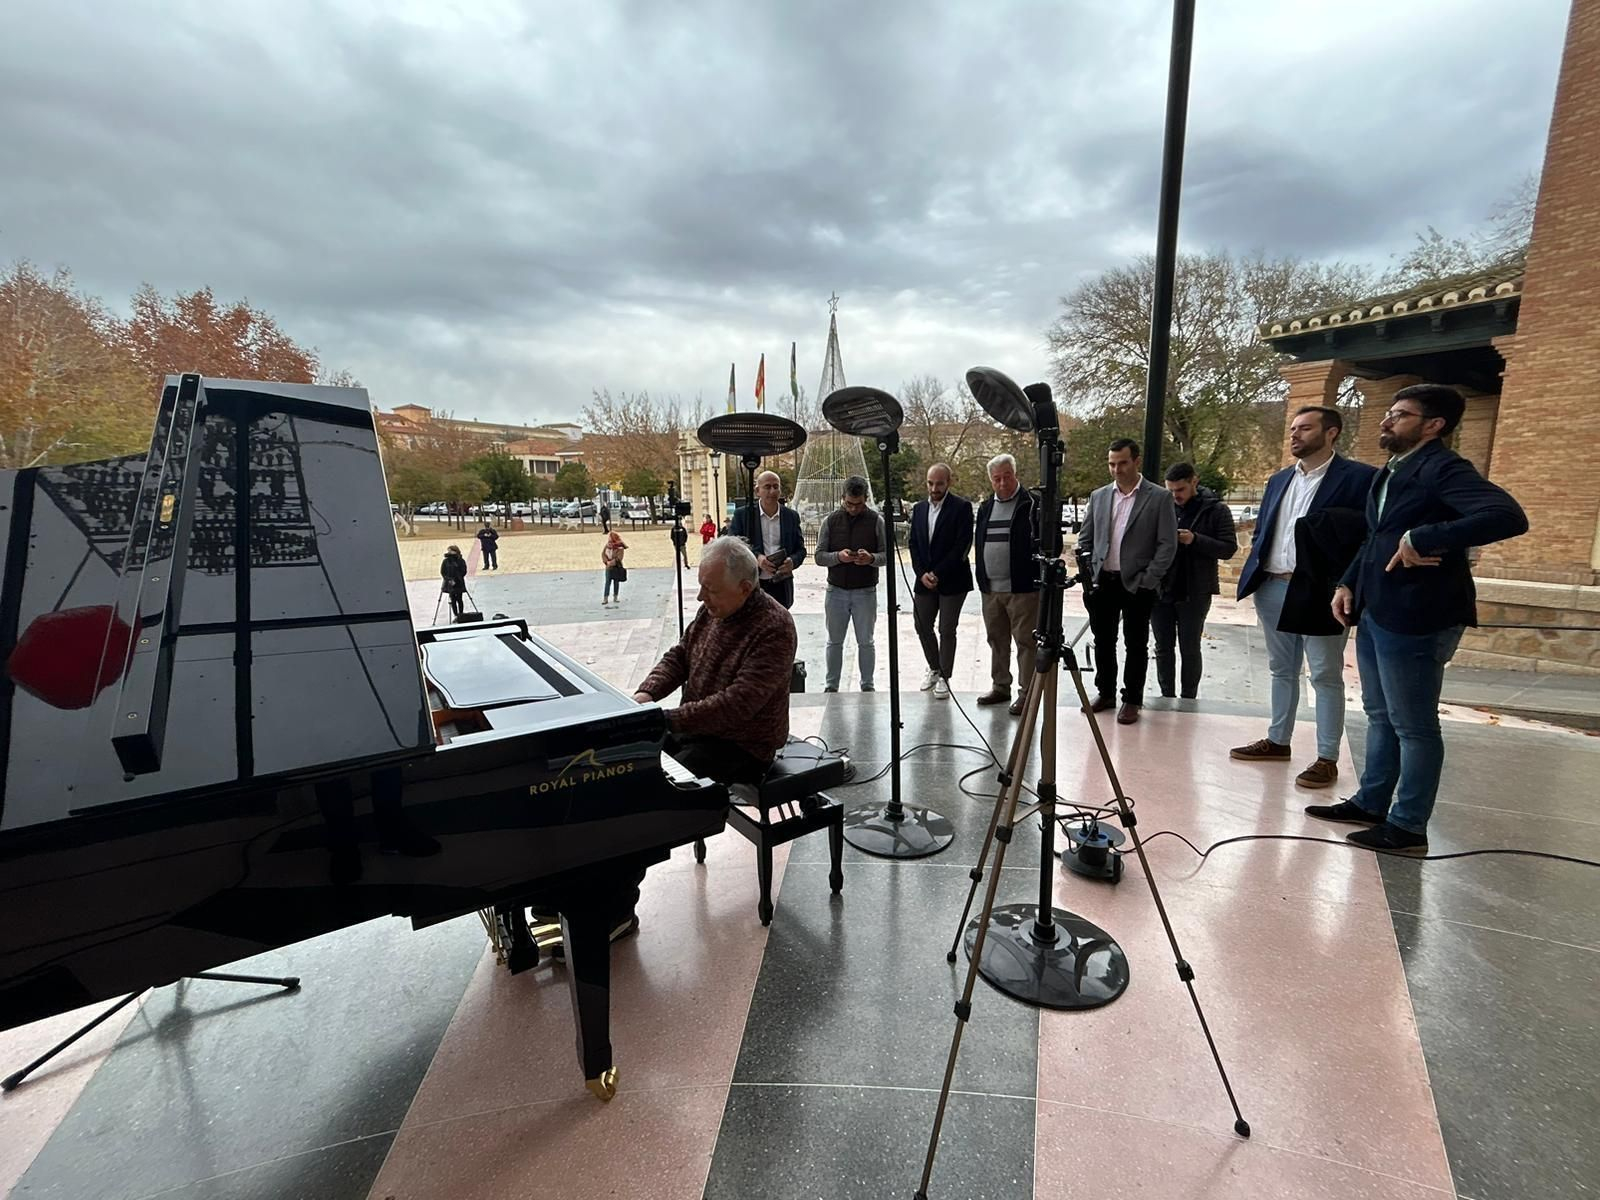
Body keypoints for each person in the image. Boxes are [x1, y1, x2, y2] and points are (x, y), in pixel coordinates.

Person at [1316, 384, 1527, 852]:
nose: (1386, 421)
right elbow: (1376, 535)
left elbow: (1507, 515)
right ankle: (1372, 802)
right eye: (1389, 413)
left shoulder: (1444, 468)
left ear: (1434, 426)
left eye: (1401, 415)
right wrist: (1348, 581)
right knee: (1379, 714)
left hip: (1417, 613)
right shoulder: (1394, 468)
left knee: (1414, 725)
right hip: (1376, 607)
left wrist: (1427, 537)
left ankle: (1408, 825)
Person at [1229, 406, 1377, 789]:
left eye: (1304, 428)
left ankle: (1327, 757)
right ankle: (1278, 740)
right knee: (1282, 670)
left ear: (1331, 433)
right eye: (1293, 428)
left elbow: (1368, 536)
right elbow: (1267, 529)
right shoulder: (1279, 480)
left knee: (1326, 675)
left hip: (1320, 591)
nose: (1294, 434)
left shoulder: (1360, 479)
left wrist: (1347, 583)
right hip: (1273, 585)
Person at [633, 537, 797, 785]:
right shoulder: (714, 609)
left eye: (710, 589)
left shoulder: (775, 627)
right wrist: (646, 694)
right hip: (697, 729)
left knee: (660, 788)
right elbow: (680, 656)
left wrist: (666, 719)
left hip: (742, 745)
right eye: (701, 586)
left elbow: (737, 704)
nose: (700, 597)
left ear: (744, 588)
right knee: (631, 759)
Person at [1079, 439, 1177, 724]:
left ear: (1136, 461)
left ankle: (1132, 699)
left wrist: (1148, 579)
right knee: (1103, 641)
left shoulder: (1158, 497)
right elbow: (1086, 538)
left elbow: (1167, 545)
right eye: (1111, 464)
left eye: (1122, 463)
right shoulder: (1098, 497)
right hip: (1103, 582)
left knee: (1136, 643)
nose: (1116, 469)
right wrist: (1089, 572)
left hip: (1137, 584)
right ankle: (1105, 691)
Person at [1152, 463, 1238, 700]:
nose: (1175, 496)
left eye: (1180, 489)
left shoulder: (1217, 510)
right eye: (1170, 490)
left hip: (1195, 590)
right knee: (1163, 647)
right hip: (1161, 588)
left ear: (1194, 482)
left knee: (1189, 648)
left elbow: (1228, 548)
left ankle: (1188, 697)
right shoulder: (1162, 506)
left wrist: (1195, 540)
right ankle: (1166, 696)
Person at [973, 454, 1038, 716]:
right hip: (992, 589)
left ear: (1015, 473)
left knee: (1025, 641)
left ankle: (1027, 693)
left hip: (1022, 588)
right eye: (996, 478)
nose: (1002, 483)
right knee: (996, 640)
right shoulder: (986, 506)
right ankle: (1001, 685)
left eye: (1006, 476)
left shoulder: (1031, 504)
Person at [908, 462, 974, 700]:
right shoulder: (918, 508)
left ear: (949, 482)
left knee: (947, 628)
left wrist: (938, 573)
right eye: (930, 483)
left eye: (939, 483)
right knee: (921, 624)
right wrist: (921, 573)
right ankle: (934, 667)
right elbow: (913, 544)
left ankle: (945, 676)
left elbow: (962, 545)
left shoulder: (962, 507)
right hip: (924, 578)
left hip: (953, 579)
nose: (934, 488)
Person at [814, 475, 886, 693]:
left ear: (865, 499)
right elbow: (818, 556)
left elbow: (886, 555)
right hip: (836, 589)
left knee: (866, 641)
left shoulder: (876, 521)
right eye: (849, 504)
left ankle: (867, 685)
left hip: (865, 590)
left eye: (859, 504)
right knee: (834, 641)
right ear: (842, 498)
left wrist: (871, 559)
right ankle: (831, 685)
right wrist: (838, 557)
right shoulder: (830, 521)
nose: (854, 508)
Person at [728, 471, 807, 609]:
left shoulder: (791, 516)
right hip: (752, 584)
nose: (772, 491)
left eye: (776, 487)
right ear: (757, 491)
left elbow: (800, 550)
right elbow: (733, 546)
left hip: (781, 585)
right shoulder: (743, 515)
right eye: (767, 486)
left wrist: (792, 562)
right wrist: (756, 558)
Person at [439, 544, 467, 621]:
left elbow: (463, 571)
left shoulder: (461, 560)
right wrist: (449, 580)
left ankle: (461, 614)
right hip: (449, 583)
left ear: (456, 551)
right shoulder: (446, 561)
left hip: (458, 583)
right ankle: (455, 615)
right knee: (453, 600)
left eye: (451, 551)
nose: (449, 552)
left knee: (459, 599)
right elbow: (443, 572)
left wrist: (457, 579)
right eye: (449, 551)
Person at [601, 530, 628, 606]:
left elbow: (619, 558)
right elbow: (603, 554)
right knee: (607, 582)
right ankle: (605, 598)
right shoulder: (607, 546)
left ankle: (615, 596)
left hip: (616, 567)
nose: (609, 540)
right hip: (608, 567)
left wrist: (612, 562)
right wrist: (606, 562)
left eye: (610, 538)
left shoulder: (620, 547)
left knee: (616, 582)